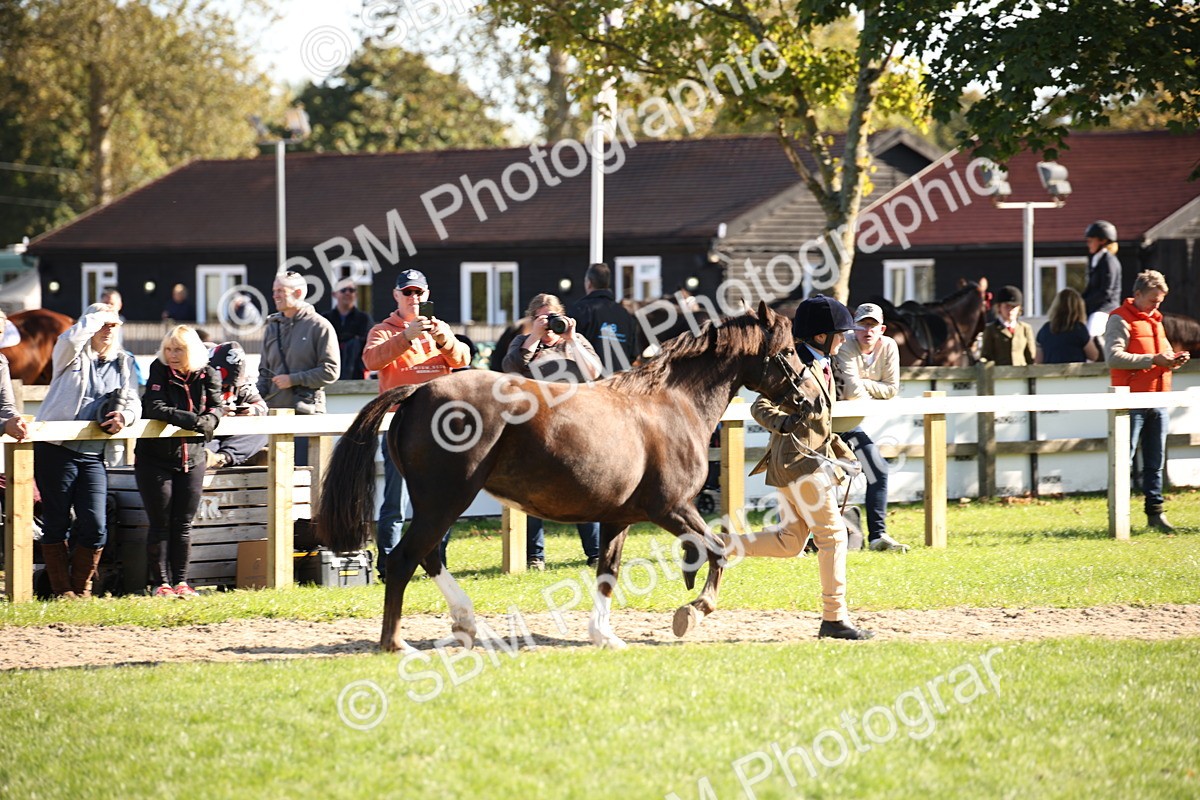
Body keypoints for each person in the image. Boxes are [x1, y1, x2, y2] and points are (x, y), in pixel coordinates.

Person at [711, 295, 873, 640]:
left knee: (790, 542)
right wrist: (783, 424)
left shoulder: (824, 366)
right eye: (839, 333)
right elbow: (760, 406)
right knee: (833, 536)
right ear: (819, 336)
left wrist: (845, 454)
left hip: (800, 463)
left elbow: (823, 425)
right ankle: (834, 618)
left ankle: (720, 545)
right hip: (799, 464)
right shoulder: (793, 363)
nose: (845, 338)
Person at [362, 269, 470, 577]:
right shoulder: (383, 330)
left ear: (427, 295)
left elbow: (462, 359)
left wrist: (444, 339)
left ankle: (437, 562)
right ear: (396, 295)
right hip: (402, 425)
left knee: (444, 498)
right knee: (396, 500)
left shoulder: (441, 328)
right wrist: (405, 338)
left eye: (418, 293)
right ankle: (387, 565)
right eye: (407, 293)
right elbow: (371, 361)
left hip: (440, 426)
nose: (414, 298)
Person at [35, 303, 141, 599]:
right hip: (56, 450)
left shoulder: (123, 362)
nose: (107, 330)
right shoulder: (70, 355)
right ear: (89, 325)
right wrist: (99, 316)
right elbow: (69, 340)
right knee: (56, 521)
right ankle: (62, 591)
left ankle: (80, 590)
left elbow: (133, 400)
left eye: (113, 326)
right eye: (101, 325)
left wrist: (125, 418)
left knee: (96, 525)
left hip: (94, 454)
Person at [502, 293, 604, 570]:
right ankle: (535, 556)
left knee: (582, 487)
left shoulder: (574, 341)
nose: (548, 325)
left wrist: (571, 339)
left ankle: (595, 553)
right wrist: (533, 337)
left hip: (576, 425)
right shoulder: (523, 343)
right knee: (534, 490)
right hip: (536, 428)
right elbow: (511, 368)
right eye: (542, 319)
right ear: (533, 319)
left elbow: (594, 372)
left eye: (552, 318)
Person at [136, 326, 222, 597]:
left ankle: (182, 582)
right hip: (155, 459)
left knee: (183, 524)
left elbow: (216, 407)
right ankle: (160, 584)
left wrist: (211, 420)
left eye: (179, 349)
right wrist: (195, 421)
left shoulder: (209, 373)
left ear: (192, 351)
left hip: (193, 458)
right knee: (160, 523)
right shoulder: (158, 369)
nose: (172, 355)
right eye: (169, 349)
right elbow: (154, 407)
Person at [1105, 270, 1191, 532]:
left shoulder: (1157, 321)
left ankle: (1155, 514)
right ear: (1138, 294)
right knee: (1124, 460)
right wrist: (1154, 360)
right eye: (1153, 300)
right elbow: (1113, 357)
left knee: (1155, 463)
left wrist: (1173, 361)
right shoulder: (1119, 319)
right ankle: (1120, 515)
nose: (1157, 305)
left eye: (1160, 301)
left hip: (1158, 398)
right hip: (1130, 401)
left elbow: (1158, 356)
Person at [833, 303, 908, 552]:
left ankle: (877, 536)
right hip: (824, 427)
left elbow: (893, 389)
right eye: (862, 325)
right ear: (853, 328)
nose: (867, 330)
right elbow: (854, 393)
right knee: (815, 482)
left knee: (878, 470)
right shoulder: (844, 345)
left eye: (873, 325)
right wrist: (871, 385)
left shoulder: (889, 346)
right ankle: (802, 538)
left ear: (882, 329)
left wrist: (863, 382)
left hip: (849, 426)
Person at [256, 271, 339, 465]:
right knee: (276, 484)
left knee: (305, 481)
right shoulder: (271, 327)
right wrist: (255, 403)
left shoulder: (320, 326)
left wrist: (293, 379)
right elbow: (263, 373)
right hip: (274, 419)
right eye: (274, 290)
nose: (275, 295)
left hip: (306, 417)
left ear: (299, 293)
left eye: (280, 291)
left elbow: (331, 371)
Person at [205, 341, 268, 469]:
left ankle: (221, 458)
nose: (226, 386)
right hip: (206, 434)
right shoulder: (199, 378)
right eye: (223, 382)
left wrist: (252, 410)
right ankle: (221, 455)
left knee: (263, 430)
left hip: (230, 437)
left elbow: (261, 405)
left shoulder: (243, 383)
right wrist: (218, 412)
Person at [569, 262, 637, 374]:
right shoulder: (625, 315)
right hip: (618, 383)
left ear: (589, 283)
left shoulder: (580, 310)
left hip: (590, 384)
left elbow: (569, 348)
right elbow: (633, 354)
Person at [323, 278, 373, 379]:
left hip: (357, 374)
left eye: (351, 290)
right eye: (343, 290)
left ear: (356, 294)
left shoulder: (364, 319)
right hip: (329, 372)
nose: (347, 293)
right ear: (334, 294)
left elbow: (369, 345)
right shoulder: (325, 319)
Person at [1036, 288, 1100, 364]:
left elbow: (1038, 360)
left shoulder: (1045, 329)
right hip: (1074, 374)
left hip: (1050, 375)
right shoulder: (1079, 329)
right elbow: (1094, 356)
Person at [1082, 220, 1123, 338]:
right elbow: (1090, 289)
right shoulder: (1096, 260)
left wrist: (1084, 302)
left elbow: (1106, 292)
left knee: (1091, 336)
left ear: (1102, 241)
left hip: (1105, 309)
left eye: (1090, 241)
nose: (1088, 244)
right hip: (1094, 308)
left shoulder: (1109, 261)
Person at [980, 285, 1035, 366]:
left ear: (1019, 309)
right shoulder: (991, 329)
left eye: (1014, 307)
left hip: (1021, 374)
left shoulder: (1025, 328)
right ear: (999, 307)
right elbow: (986, 355)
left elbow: (1031, 357)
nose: (1010, 310)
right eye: (1007, 306)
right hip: (1000, 375)